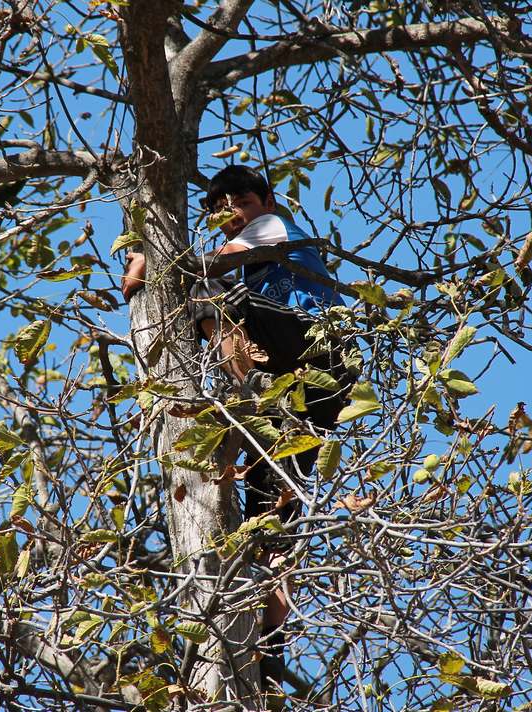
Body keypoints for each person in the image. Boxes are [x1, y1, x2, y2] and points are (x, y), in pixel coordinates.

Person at [120, 165, 353, 695]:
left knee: (206, 293)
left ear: (265, 199)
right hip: (305, 390)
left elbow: (188, 270)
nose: (233, 211)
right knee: (273, 512)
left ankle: (244, 382)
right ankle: (271, 638)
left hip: (310, 346)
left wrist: (143, 259)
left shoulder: (272, 228)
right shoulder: (247, 253)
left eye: (242, 201)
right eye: (221, 206)